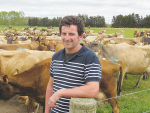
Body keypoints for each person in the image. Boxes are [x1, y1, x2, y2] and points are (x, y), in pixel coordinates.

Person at [45, 15, 101, 113]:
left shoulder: (90, 58)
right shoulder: (56, 57)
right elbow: (50, 86)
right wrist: (46, 111)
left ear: (81, 36)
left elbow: (93, 90)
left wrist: (61, 93)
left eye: (71, 34)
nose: (66, 38)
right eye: (64, 33)